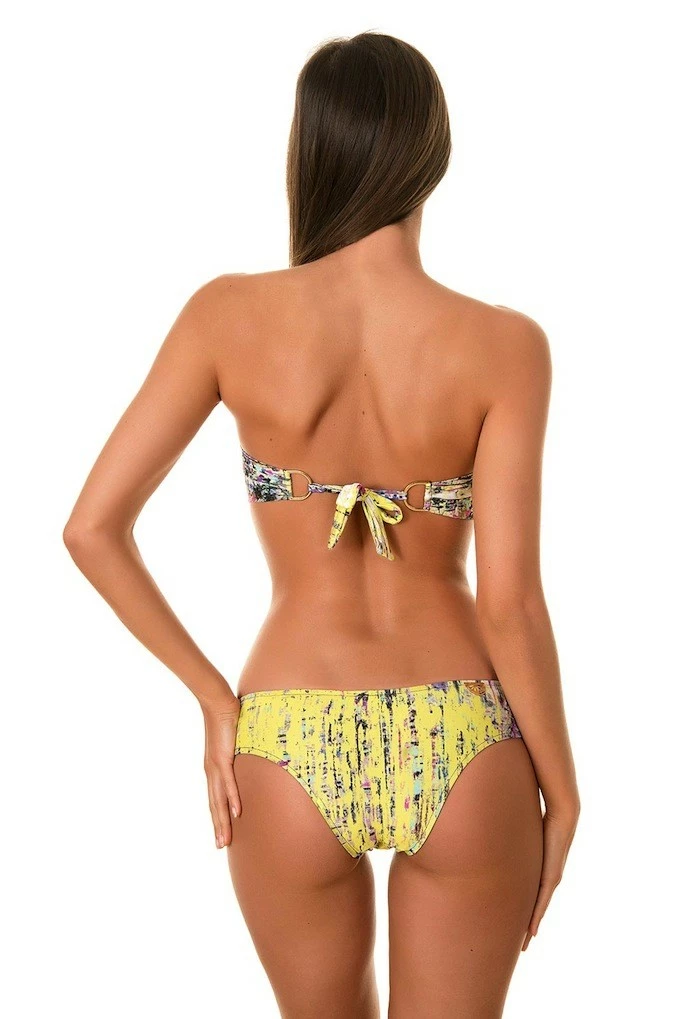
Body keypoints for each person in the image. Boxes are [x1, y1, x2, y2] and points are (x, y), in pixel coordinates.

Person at [64, 30, 579, 1019]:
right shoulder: (505, 344)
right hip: (464, 736)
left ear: (310, 151)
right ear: (432, 154)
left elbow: (92, 527)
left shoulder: (226, 315)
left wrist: (214, 699)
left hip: (286, 734)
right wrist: (562, 787)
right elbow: (510, 603)